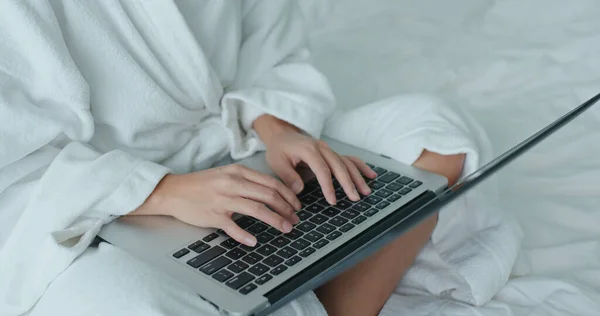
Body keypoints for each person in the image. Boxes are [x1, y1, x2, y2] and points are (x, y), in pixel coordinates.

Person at [0, 1, 467, 315]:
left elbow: (269, 46)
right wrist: (161, 191)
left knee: (433, 132)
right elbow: (15, 163)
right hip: (99, 202)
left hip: (239, 143)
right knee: (124, 299)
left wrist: (279, 127)